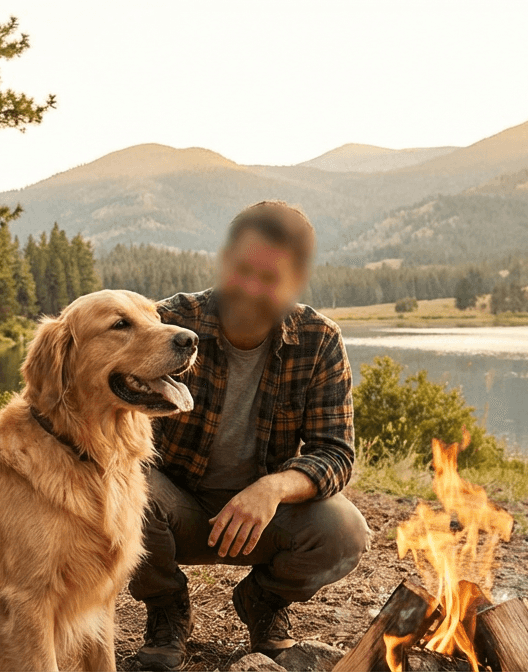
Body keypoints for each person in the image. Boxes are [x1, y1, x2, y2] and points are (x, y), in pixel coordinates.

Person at [131, 200, 371, 670]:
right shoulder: (169, 323)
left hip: (264, 517)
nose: (250, 289)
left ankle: (262, 601)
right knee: (123, 491)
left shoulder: (319, 338)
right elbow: (112, 414)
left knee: (344, 532)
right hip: (173, 507)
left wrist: (273, 487)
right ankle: (166, 608)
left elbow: (336, 453)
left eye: (271, 278)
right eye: (242, 270)